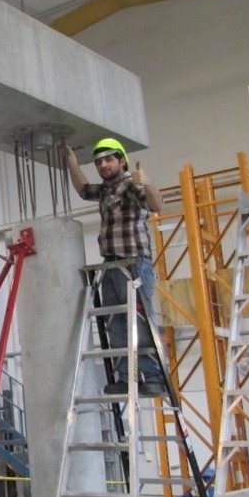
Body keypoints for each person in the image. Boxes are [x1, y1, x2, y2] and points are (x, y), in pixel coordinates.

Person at [59, 137, 167, 396]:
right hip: (111, 266)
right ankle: (127, 376)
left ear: (121, 161)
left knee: (140, 321)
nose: (103, 165)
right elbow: (83, 189)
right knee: (116, 323)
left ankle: (153, 377)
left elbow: (156, 205)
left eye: (109, 159)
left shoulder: (130, 184)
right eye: (99, 162)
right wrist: (72, 162)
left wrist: (147, 182)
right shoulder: (106, 191)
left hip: (134, 265)